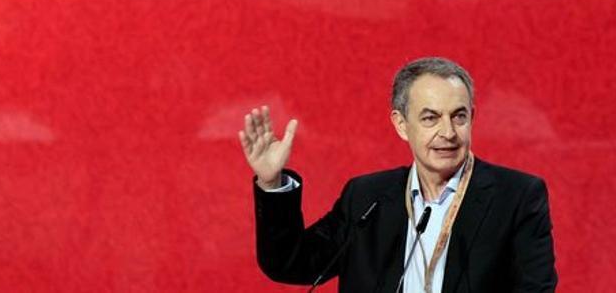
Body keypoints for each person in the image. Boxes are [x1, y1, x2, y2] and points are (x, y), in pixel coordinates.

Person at [239, 56, 558, 292]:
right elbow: (291, 262)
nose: (448, 132)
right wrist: (271, 182)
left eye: (459, 117)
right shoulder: (367, 198)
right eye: (431, 118)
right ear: (401, 124)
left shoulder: (515, 197)